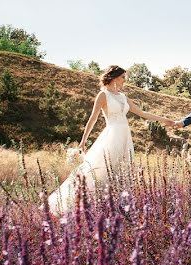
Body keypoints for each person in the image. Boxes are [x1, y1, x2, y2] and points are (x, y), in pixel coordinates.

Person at [48, 65, 171, 215]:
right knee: (101, 170)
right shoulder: (103, 95)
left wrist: (165, 120)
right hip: (111, 135)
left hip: (125, 136)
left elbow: (142, 113)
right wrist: (83, 141)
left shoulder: (123, 97)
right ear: (114, 77)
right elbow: (92, 119)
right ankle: (84, 203)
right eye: (123, 77)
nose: (125, 80)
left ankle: (118, 206)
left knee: (123, 170)